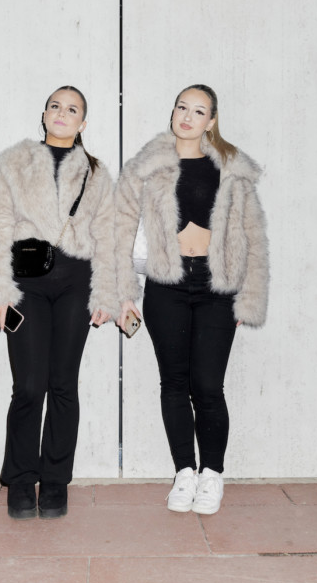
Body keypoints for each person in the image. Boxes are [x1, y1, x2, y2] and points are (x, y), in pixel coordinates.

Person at [115, 84, 269, 515]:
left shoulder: (231, 167)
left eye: (198, 111)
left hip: (217, 285)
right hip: (166, 282)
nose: (187, 116)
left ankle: (212, 473)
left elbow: (253, 234)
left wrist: (249, 296)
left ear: (211, 120)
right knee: (174, 383)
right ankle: (184, 471)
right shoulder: (145, 167)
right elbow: (120, 232)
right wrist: (124, 293)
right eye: (181, 106)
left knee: (208, 385)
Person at [0, 86, 117, 520]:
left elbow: (108, 235)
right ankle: (20, 480)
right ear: (44, 114)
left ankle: (55, 481)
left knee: (63, 385)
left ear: (82, 123)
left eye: (72, 109)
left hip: (77, 284)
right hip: (26, 286)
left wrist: (107, 292)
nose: (62, 113)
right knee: (29, 385)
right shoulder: (13, 162)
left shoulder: (95, 172)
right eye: (55, 106)